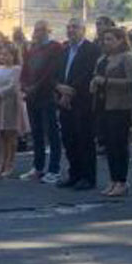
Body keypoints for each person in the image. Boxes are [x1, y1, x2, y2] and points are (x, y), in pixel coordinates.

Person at [91, 28, 132, 197]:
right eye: (104, 39)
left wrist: (107, 81)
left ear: (120, 40)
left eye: (110, 39)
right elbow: (96, 75)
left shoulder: (127, 57)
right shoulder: (103, 58)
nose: (106, 42)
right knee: (109, 145)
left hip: (120, 106)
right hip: (103, 104)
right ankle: (113, 179)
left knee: (119, 145)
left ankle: (122, 180)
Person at [56, 18, 101, 190]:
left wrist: (71, 91)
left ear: (83, 30)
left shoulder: (92, 49)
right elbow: (58, 72)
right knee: (69, 140)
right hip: (64, 101)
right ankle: (74, 174)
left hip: (82, 101)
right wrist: (60, 88)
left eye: (74, 27)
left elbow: (88, 73)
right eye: (68, 27)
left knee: (84, 140)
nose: (71, 30)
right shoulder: (65, 50)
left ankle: (88, 177)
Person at [20, 21, 63, 183]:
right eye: (36, 30)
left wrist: (35, 87)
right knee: (36, 133)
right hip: (32, 97)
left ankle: (54, 169)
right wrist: (24, 86)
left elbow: (50, 71)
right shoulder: (32, 49)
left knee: (52, 133)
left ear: (48, 31)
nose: (37, 33)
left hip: (47, 95)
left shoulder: (55, 47)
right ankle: (38, 167)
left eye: (41, 30)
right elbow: (25, 70)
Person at [0, 43, 27, 177]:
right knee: (2, 135)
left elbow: (13, 86)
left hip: (10, 103)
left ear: (14, 55)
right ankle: (2, 163)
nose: (4, 57)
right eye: (2, 54)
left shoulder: (17, 69)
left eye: (7, 54)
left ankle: (10, 164)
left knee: (11, 134)